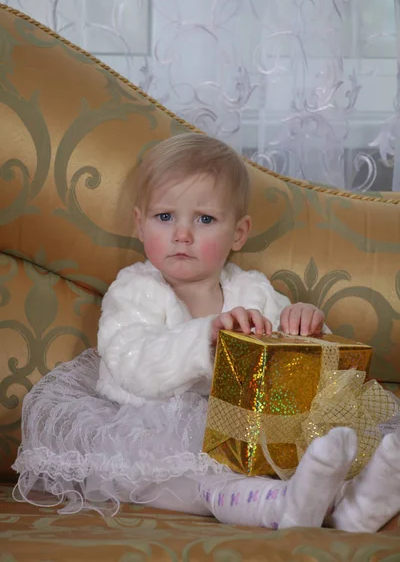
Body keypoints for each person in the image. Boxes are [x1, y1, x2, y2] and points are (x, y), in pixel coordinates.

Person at [13, 134, 400, 532]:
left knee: (313, 441)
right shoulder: (134, 291)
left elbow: (305, 373)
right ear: (139, 224)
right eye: (165, 217)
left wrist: (304, 327)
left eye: (205, 219)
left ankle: (359, 505)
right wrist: (206, 341)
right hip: (154, 435)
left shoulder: (252, 291)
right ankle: (282, 507)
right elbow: (134, 362)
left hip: (251, 434)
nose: (182, 234)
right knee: (206, 478)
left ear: (238, 233)